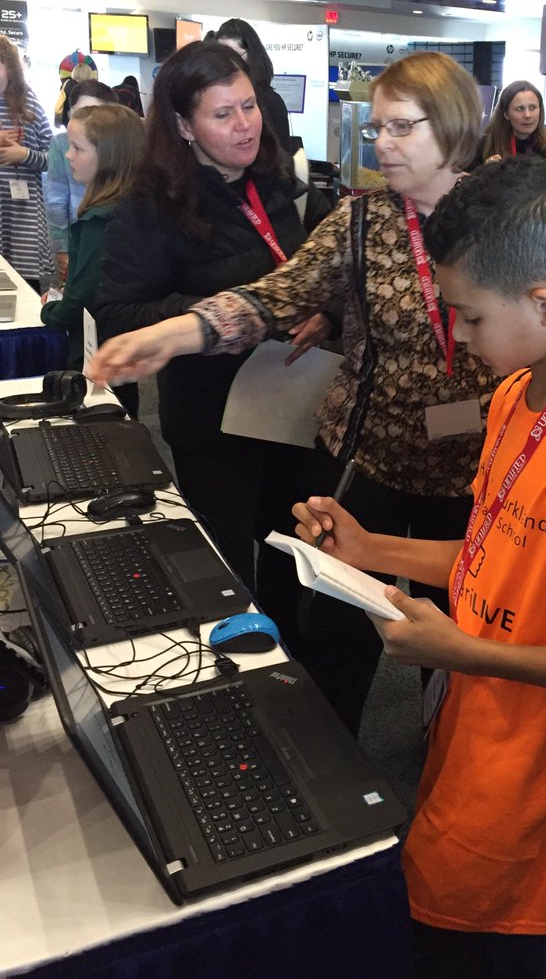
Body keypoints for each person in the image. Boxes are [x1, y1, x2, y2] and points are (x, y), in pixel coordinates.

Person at [291, 157, 546, 979]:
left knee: (472, 948)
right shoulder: (515, 395)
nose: (459, 337)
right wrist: (371, 550)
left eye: (468, 317)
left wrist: (461, 652)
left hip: (523, 782)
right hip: (467, 736)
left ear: (545, 306)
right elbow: (491, 558)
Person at [88, 51, 500, 736]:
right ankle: (327, 766)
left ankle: (451, 751)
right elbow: (278, 293)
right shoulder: (363, 221)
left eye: (400, 128)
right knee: (339, 632)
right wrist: (182, 332)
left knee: (457, 634)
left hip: (475, 461)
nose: (381, 145)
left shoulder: (507, 213)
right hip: (371, 457)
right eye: (377, 130)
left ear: (452, 127)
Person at [93, 40, 330, 601]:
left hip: (296, 403)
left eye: (249, 106)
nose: (245, 126)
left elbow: (331, 267)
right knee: (225, 567)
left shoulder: (281, 179)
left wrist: (323, 312)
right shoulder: (153, 205)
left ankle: (296, 666)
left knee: (295, 553)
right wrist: (217, 314)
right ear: (184, 125)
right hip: (214, 416)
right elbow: (118, 314)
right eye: (223, 114)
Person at [40, 104, 143, 413]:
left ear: (107, 157)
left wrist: (51, 312)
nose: (68, 156)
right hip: (116, 347)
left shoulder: (101, 221)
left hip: (95, 352)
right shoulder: (126, 207)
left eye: (77, 148)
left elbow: (82, 299)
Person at [43, 79, 119, 282]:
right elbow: (56, 201)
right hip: (77, 240)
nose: (85, 122)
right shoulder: (61, 145)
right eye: (79, 113)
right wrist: (62, 249)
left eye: (94, 115)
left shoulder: (121, 151)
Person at [0, 34, 54, 289]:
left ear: (10, 67)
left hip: (22, 218)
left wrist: (24, 155)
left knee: (23, 291)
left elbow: (54, 158)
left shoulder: (29, 102)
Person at [481, 80, 546, 183]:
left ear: (540, 110)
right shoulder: (485, 146)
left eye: (532, 107)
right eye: (520, 109)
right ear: (506, 114)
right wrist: (483, 173)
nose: (527, 115)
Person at [214, 18, 291, 154]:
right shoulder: (215, 99)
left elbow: (280, 155)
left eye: (234, 55)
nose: (226, 63)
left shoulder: (271, 102)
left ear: (251, 55)